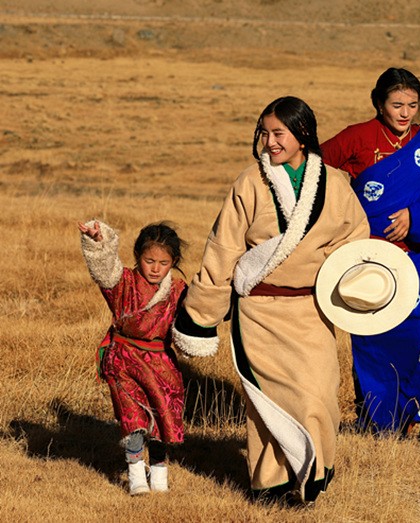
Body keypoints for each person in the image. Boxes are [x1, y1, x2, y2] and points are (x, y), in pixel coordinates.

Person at [171, 96, 369, 505]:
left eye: (279, 133)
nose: (270, 141)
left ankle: (312, 473)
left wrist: (340, 275)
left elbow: (355, 239)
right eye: (264, 133)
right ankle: (272, 485)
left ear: (303, 135)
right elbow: (223, 247)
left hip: (312, 311)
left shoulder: (335, 184)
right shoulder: (249, 182)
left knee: (319, 395)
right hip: (259, 312)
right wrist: (201, 313)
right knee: (267, 403)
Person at [321, 67, 420, 449]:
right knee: (378, 343)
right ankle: (379, 419)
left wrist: (414, 218)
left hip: (413, 257)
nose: (405, 113)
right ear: (379, 103)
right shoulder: (356, 137)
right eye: (397, 105)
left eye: (412, 104)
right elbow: (314, 170)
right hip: (367, 260)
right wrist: (342, 214)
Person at [77, 220, 188, 496]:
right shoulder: (123, 282)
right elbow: (104, 268)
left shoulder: (178, 290)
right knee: (133, 420)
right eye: (149, 261)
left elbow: (199, 314)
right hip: (124, 361)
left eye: (163, 263)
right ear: (138, 256)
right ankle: (136, 472)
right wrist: (99, 242)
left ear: (173, 262)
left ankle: (159, 473)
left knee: (162, 420)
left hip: (162, 364)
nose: (155, 268)